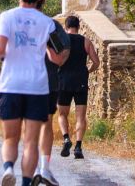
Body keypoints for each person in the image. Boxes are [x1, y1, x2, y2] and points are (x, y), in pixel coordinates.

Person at [0, 0, 66, 186]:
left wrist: (9, 54)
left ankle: (8, 168)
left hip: (11, 84)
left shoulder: (6, 17)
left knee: (10, 138)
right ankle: (26, 182)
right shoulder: (47, 23)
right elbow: (57, 57)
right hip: (37, 86)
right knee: (31, 141)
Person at [35, 0, 70, 186]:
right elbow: (62, 52)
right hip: (48, 79)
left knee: (29, 125)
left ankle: (27, 170)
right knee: (45, 124)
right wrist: (58, 60)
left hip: (20, 82)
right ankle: (44, 167)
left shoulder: (11, 19)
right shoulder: (51, 25)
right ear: (43, 0)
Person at [57, 15, 99, 160]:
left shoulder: (61, 41)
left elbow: (55, 60)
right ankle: (79, 147)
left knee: (62, 114)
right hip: (80, 81)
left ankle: (66, 138)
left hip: (63, 81)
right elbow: (96, 62)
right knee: (81, 117)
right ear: (78, 26)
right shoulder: (86, 41)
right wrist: (87, 70)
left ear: (65, 27)